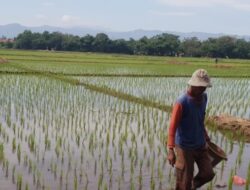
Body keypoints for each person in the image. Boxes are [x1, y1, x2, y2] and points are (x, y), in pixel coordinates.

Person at [167, 69, 215, 190]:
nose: (203, 89)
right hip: (185, 147)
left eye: (205, 87)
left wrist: (205, 136)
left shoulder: (204, 97)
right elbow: (172, 127)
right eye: (201, 87)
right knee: (184, 180)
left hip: (200, 144)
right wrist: (171, 150)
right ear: (193, 85)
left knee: (208, 173)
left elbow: (200, 119)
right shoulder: (181, 102)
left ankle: (192, 186)